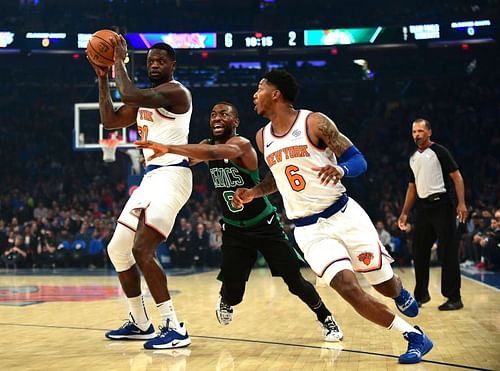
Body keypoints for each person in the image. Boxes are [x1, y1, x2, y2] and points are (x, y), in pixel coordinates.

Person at [231, 70, 431, 364]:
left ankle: (398, 291)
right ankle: (414, 336)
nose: (254, 95)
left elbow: (358, 160)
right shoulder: (262, 137)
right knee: (347, 288)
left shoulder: (314, 122)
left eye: (259, 88)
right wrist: (255, 192)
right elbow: (279, 178)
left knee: (381, 284)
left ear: (276, 94)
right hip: (308, 230)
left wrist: (341, 169)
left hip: (343, 215)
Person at [135, 101, 343, 341]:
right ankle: (226, 299)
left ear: (235, 122)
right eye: (213, 114)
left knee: (295, 281)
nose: (217, 118)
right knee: (234, 292)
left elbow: (212, 154)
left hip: (264, 225)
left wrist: (168, 147)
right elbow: (189, 159)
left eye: (224, 114)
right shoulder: (205, 145)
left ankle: (326, 318)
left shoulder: (242, 145)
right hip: (234, 229)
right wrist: (160, 160)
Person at [88, 36, 193, 349]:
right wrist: (103, 78)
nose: (155, 65)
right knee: (117, 250)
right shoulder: (142, 99)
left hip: (173, 174)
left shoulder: (176, 92)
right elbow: (109, 121)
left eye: (161, 60)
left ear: (173, 65)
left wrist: (118, 60)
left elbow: (130, 91)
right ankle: (140, 322)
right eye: (150, 61)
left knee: (142, 249)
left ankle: (175, 326)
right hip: (151, 177)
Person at [398, 119, 467, 311]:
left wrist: (462, 203)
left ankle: (454, 297)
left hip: (442, 205)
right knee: (419, 252)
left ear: (429, 132)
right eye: (414, 131)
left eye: (420, 130)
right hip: (423, 208)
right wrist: (404, 213)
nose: (417, 134)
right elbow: (412, 188)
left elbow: (457, 177)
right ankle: (421, 295)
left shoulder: (440, 151)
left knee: (448, 253)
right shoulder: (412, 157)